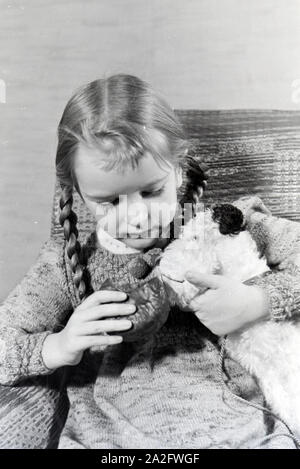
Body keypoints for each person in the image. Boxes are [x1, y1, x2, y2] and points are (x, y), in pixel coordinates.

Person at [0, 74, 300, 449]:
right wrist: (60, 344)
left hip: (244, 435)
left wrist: (257, 300)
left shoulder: (227, 227)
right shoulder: (69, 263)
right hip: (109, 442)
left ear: (178, 169)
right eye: (109, 202)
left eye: (151, 191)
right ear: (79, 193)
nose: (137, 215)